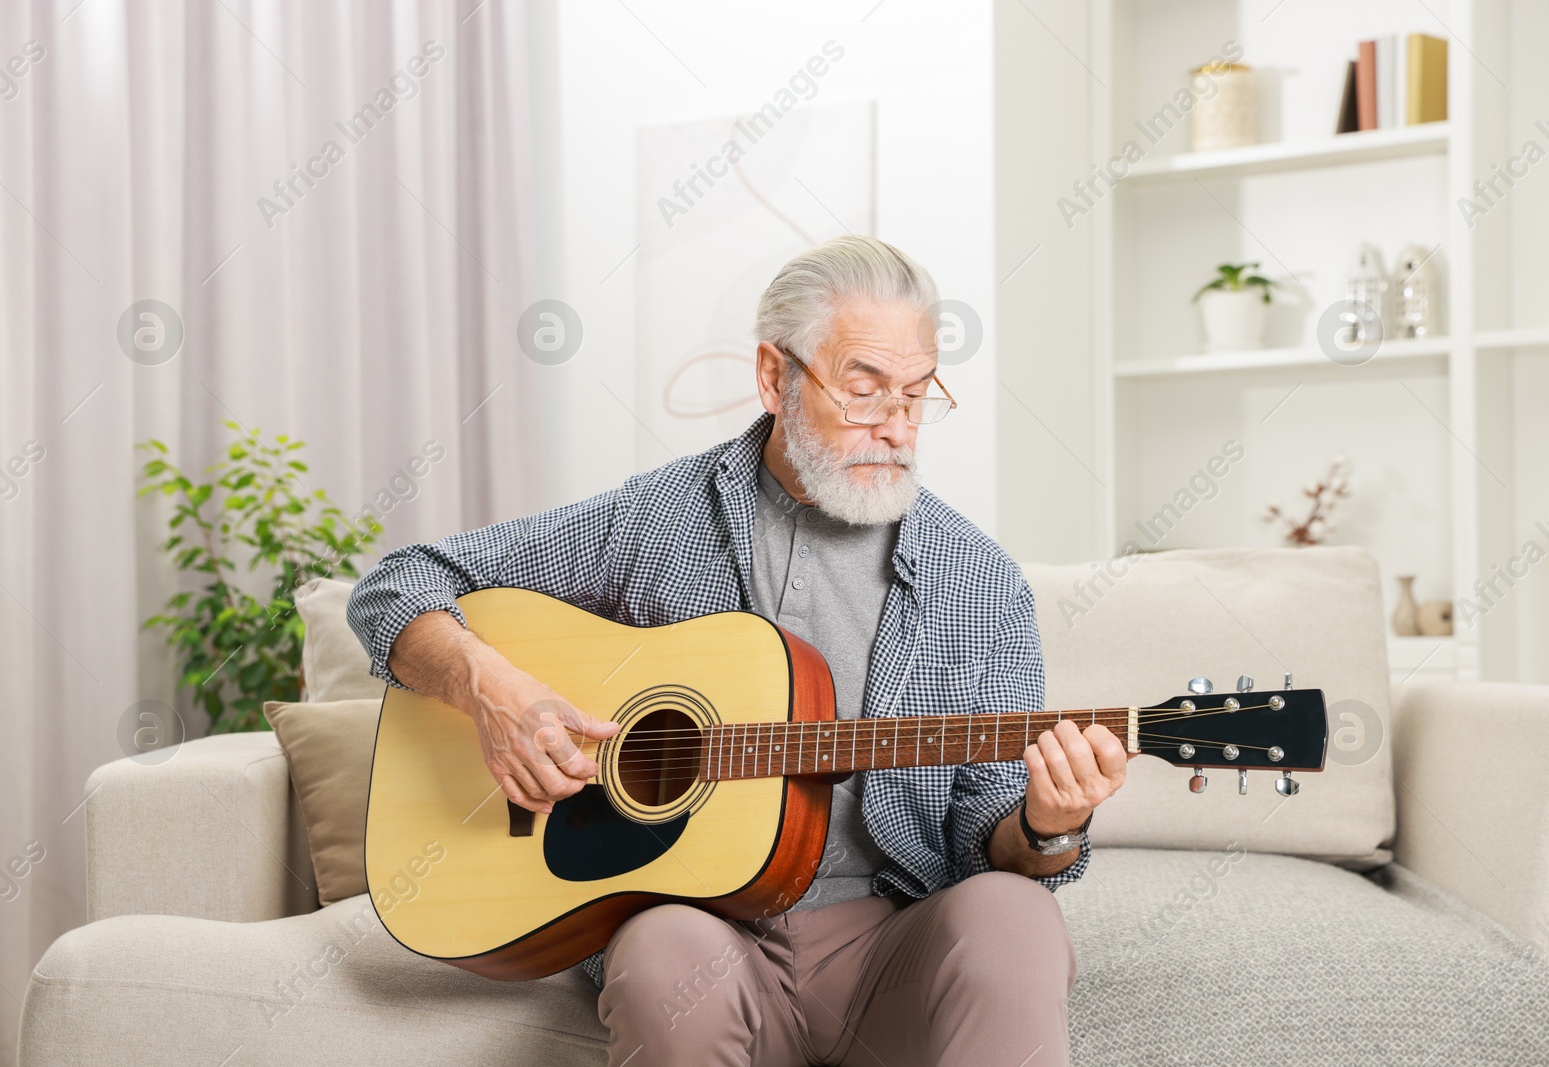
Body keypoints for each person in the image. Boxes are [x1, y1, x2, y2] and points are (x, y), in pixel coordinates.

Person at [347, 235, 1129, 1066]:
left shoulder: (979, 582)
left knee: (1016, 915)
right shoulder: (656, 521)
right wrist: (490, 686)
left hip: (887, 944)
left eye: (916, 395)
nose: (896, 427)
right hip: (704, 939)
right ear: (773, 376)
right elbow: (396, 586)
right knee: (661, 951)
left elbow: (991, 838)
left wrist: (1050, 824)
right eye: (864, 390)